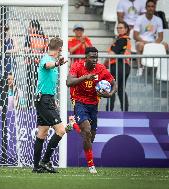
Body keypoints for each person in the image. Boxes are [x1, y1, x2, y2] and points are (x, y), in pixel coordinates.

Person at [66, 47, 117, 174]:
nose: (94, 60)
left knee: (90, 137)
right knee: (87, 131)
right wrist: (85, 77)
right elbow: (69, 82)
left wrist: (110, 94)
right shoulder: (77, 66)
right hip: (79, 101)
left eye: (96, 57)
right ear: (86, 57)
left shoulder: (101, 69)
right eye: (92, 57)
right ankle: (91, 165)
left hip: (94, 103)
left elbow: (114, 83)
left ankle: (73, 125)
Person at [32, 37, 67, 173]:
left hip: (46, 99)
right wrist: (57, 63)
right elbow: (47, 66)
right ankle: (45, 161)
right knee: (61, 130)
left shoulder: (52, 60)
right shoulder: (47, 59)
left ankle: (36, 166)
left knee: (42, 132)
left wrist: (53, 99)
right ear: (59, 49)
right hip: (44, 100)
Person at [133, 0, 169, 76]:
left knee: (165, 45)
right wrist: (146, 43)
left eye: (152, 6)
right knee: (140, 45)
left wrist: (154, 44)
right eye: (148, 6)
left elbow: (160, 37)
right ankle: (140, 68)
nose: (150, 8)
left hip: (153, 41)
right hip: (142, 41)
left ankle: (165, 68)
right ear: (145, 8)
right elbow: (135, 36)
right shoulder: (139, 19)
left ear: (155, 8)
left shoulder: (158, 20)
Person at [105, 21, 131, 111]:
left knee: (112, 89)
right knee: (120, 90)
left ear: (126, 29)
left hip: (118, 66)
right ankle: (125, 111)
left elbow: (112, 54)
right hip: (124, 67)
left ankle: (109, 111)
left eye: (121, 28)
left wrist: (105, 62)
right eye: (118, 28)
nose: (119, 29)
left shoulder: (122, 40)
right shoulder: (123, 40)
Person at [24, 20, 48, 108]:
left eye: (30, 26)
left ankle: (30, 104)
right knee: (38, 83)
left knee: (31, 84)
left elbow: (26, 50)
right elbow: (46, 50)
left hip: (33, 63)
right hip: (39, 63)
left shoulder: (30, 37)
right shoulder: (43, 37)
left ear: (35, 27)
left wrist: (34, 57)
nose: (29, 28)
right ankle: (37, 104)